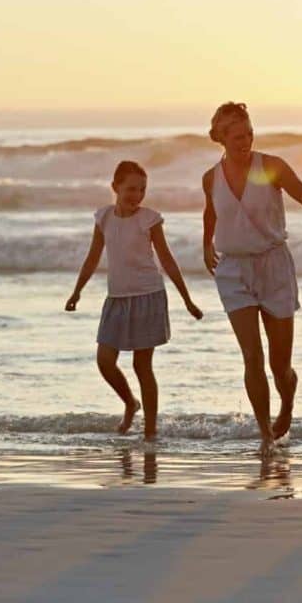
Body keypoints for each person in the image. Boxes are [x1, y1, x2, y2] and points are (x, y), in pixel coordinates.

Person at [202, 101, 302, 456]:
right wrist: (207, 243)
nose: (245, 140)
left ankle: (287, 406)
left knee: (279, 365)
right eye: (236, 136)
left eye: (249, 133)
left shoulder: (270, 167)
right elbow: (211, 210)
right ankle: (265, 434)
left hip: (274, 267)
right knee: (252, 356)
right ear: (219, 137)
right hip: (233, 271)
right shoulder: (211, 177)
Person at [65, 160, 203, 442]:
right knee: (105, 360)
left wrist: (187, 299)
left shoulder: (149, 219)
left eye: (142, 190)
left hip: (148, 297)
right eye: (130, 189)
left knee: (143, 366)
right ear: (115, 187)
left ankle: (150, 432)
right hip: (116, 299)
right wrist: (77, 291)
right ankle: (130, 402)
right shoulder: (103, 218)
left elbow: (166, 259)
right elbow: (93, 257)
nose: (137, 195)